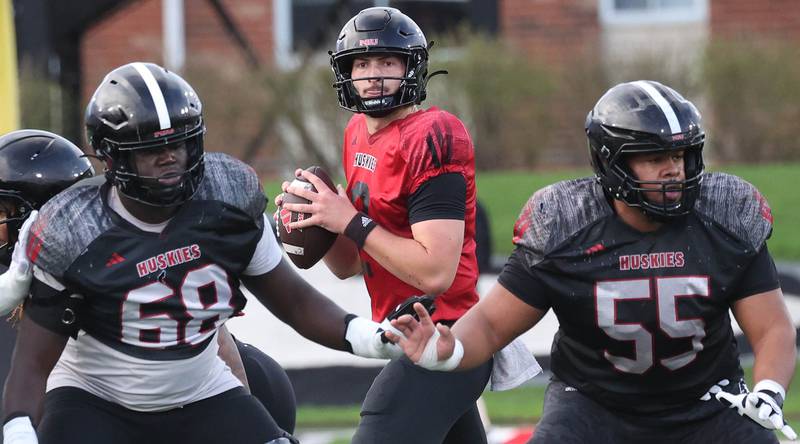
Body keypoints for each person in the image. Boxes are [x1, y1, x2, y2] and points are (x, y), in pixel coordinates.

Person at [1, 63, 401, 444]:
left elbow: (295, 301)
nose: (170, 159)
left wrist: (373, 335)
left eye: (179, 144)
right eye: (150, 151)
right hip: (98, 401)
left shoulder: (228, 199)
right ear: (114, 157)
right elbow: (30, 366)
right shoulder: (73, 229)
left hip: (201, 392)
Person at [386, 80, 797, 443]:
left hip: (707, 403)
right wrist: (449, 347)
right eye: (655, 158)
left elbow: (773, 327)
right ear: (612, 162)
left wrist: (769, 390)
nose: (674, 170)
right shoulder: (566, 225)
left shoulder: (724, 215)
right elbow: (493, 324)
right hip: (594, 407)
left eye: (681, 155)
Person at [279, 7, 539, 443]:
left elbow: (435, 272)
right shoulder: (356, 133)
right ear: (347, 73)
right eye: (362, 63)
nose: (374, 75)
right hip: (403, 333)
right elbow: (350, 266)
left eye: (387, 62)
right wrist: (316, 219)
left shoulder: (434, 135)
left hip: (447, 335)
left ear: (411, 69)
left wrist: (350, 219)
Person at [0, 130, 298, 436]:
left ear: (44, 217)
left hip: (240, 388)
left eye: (1, 212)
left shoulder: (98, 262)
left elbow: (218, 346)